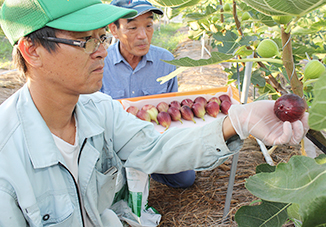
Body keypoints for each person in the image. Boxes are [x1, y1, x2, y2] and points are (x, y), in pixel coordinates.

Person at [0, 0, 309, 226]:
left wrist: (237, 123)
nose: (101, 50)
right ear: (32, 50)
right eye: (84, 41)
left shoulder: (99, 110)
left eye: (101, 38)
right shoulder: (6, 158)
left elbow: (155, 148)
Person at [101, 0, 195, 189]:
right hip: (113, 145)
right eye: (133, 27)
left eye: (149, 26)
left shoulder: (166, 60)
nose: (143, 36)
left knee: (185, 179)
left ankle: (149, 169)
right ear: (114, 29)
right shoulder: (100, 63)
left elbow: (171, 110)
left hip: (154, 141)